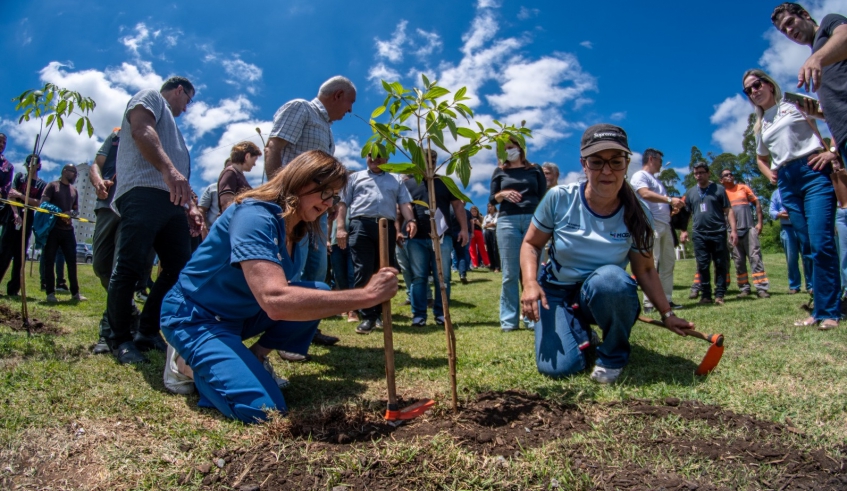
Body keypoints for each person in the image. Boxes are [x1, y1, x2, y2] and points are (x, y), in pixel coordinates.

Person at [159, 150, 400, 423]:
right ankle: (184, 364)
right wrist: (366, 296)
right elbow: (275, 300)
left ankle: (256, 358)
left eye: (334, 195)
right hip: (196, 317)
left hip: (239, 314)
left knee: (317, 291)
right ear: (299, 181)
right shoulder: (254, 216)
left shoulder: (296, 229)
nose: (329, 203)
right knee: (265, 411)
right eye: (324, 191)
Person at [520, 124, 694, 384]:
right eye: (597, 162)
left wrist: (667, 314)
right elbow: (531, 244)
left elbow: (645, 269)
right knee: (557, 369)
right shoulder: (559, 198)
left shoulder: (638, 212)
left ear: (627, 164)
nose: (606, 171)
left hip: (602, 292)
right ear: (584, 164)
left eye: (615, 162)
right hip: (556, 291)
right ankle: (580, 330)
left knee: (612, 279)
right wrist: (531, 282)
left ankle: (612, 355)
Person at [107, 76, 204, 364]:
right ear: (179, 90)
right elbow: (141, 129)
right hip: (142, 192)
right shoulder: (150, 96)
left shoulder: (174, 129)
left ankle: (147, 331)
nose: (186, 108)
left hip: (171, 201)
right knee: (130, 266)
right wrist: (169, 170)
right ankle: (119, 339)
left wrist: (188, 206)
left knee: (179, 268)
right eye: (188, 100)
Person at [742, 68, 840, 328]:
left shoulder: (794, 104)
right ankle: (818, 309)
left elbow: (835, 117)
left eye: (757, 84)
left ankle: (831, 311)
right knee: (807, 246)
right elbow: (761, 158)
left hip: (813, 170)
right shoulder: (762, 124)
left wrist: (833, 152)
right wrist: (770, 174)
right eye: (748, 90)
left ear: (769, 84)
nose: (754, 91)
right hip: (787, 180)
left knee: (821, 242)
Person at [264, 76, 356, 346]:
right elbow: (275, 147)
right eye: (350, 103)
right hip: (293, 207)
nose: (349, 110)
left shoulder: (326, 129)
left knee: (317, 272)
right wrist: (278, 194)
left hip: (315, 211)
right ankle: (282, 337)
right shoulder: (300, 108)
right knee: (295, 269)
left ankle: (305, 330)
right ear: (337, 95)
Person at [335, 151, 415, 334]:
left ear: (387, 159)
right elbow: (342, 203)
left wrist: (411, 221)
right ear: (366, 157)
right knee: (362, 269)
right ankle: (368, 316)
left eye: (380, 156)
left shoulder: (396, 179)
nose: (375, 159)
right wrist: (340, 228)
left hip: (386, 226)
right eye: (371, 155)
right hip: (360, 224)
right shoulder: (355, 178)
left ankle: (380, 313)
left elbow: (404, 203)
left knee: (384, 270)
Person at [405, 151, 468, 327]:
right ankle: (418, 315)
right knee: (418, 277)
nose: (430, 162)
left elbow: (458, 205)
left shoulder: (445, 182)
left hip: (442, 237)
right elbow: (402, 208)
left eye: (433, 159)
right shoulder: (409, 184)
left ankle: (441, 314)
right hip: (416, 238)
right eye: (426, 159)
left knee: (444, 277)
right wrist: (399, 230)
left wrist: (464, 229)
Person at [489, 137, 546, 331]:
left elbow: (543, 196)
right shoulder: (499, 172)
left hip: (533, 220)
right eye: (503, 150)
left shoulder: (535, 169)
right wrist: (502, 194)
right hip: (507, 221)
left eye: (510, 147)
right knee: (510, 273)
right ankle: (508, 320)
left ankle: (533, 318)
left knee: (532, 273)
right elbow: (492, 199)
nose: (508, 151)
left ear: (520, 148)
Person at [629, 148, 684, 312]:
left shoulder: (657, 181)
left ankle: (666, 300)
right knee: (651, 264)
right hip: (651, 225)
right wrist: (669, 199)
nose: (661, 164)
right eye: (660, 161)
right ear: (652, 159)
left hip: (665, 225)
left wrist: (671, 209)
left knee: (668, 263)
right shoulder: (640, 176)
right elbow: (644, 194)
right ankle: (649, 302)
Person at [679, 162, 738, 306]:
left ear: (708, 173)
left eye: (701, 172)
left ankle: (719, 295)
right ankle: (706, 295)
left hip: (718, 232)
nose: (698, 176)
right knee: (702, 265)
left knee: (720, 264)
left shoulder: (718, 189)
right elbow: (686, 214)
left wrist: (734, 230)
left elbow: (728, 210)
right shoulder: (691, 192)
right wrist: (684, 230)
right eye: (696, 173)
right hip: (699, 234)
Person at [719, 170, 771, 299]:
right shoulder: (721, 193)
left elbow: (757, 203)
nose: (729, 176)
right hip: (731, 232)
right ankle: (744, 288)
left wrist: (759, 223)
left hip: (748, 229)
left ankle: (761, 288)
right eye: (726, 175)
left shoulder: (743, 188)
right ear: (721, 180)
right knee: (738, 261)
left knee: (755, 257)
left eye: (731, 174)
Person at [0, 154, 45, 296]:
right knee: (3, 254)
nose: (31, 165)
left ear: (38, 165)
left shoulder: (41, 184)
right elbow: (11, 195)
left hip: (27, 221)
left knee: (20, 256)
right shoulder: (19, 177)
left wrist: (21, 196)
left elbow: (38, 203)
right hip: (12, 218)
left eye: (34, 163)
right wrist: (15, 213)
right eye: (29, 163)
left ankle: (13, 290)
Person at [41, 164, 86, 303]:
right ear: (65, 171)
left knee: (72, 261)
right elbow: (43, 204)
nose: (75, 175)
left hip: (68, 230)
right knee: (50, 260)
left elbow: (75, 210)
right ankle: (50, 292)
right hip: (53, 229)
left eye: (76, 174)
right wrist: (59, 213)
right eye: (74, 172)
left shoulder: (74, 191)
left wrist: (71, 214)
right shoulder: (52, 186)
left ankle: (75, 292)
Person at [770, 188, 813, 294]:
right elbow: (771, 211)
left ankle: (811, 285)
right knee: (791, 258)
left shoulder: (801, 187)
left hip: (803, 226)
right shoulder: (776, 193)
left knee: (807, 256)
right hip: (787, 228)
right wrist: (780, 214)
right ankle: (794, 285)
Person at [218, 142, 260, 212]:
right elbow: (226, 204)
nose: (254, 164)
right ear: (247, 156)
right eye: (255, 159)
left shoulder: (239, 175)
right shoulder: (230, 172)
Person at [482, 203, 500, 272]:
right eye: (488, 206)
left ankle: (497, 266)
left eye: (491, 206)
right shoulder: (486, 216)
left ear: (494, 207)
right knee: (489, 249)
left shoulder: (497, 214)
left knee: (495, 249)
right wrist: (489, 225)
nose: (490, 207)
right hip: (487, 233)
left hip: (494, 232)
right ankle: (492, 266)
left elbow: (495, 223)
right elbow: (483, 225)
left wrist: (487, 225)